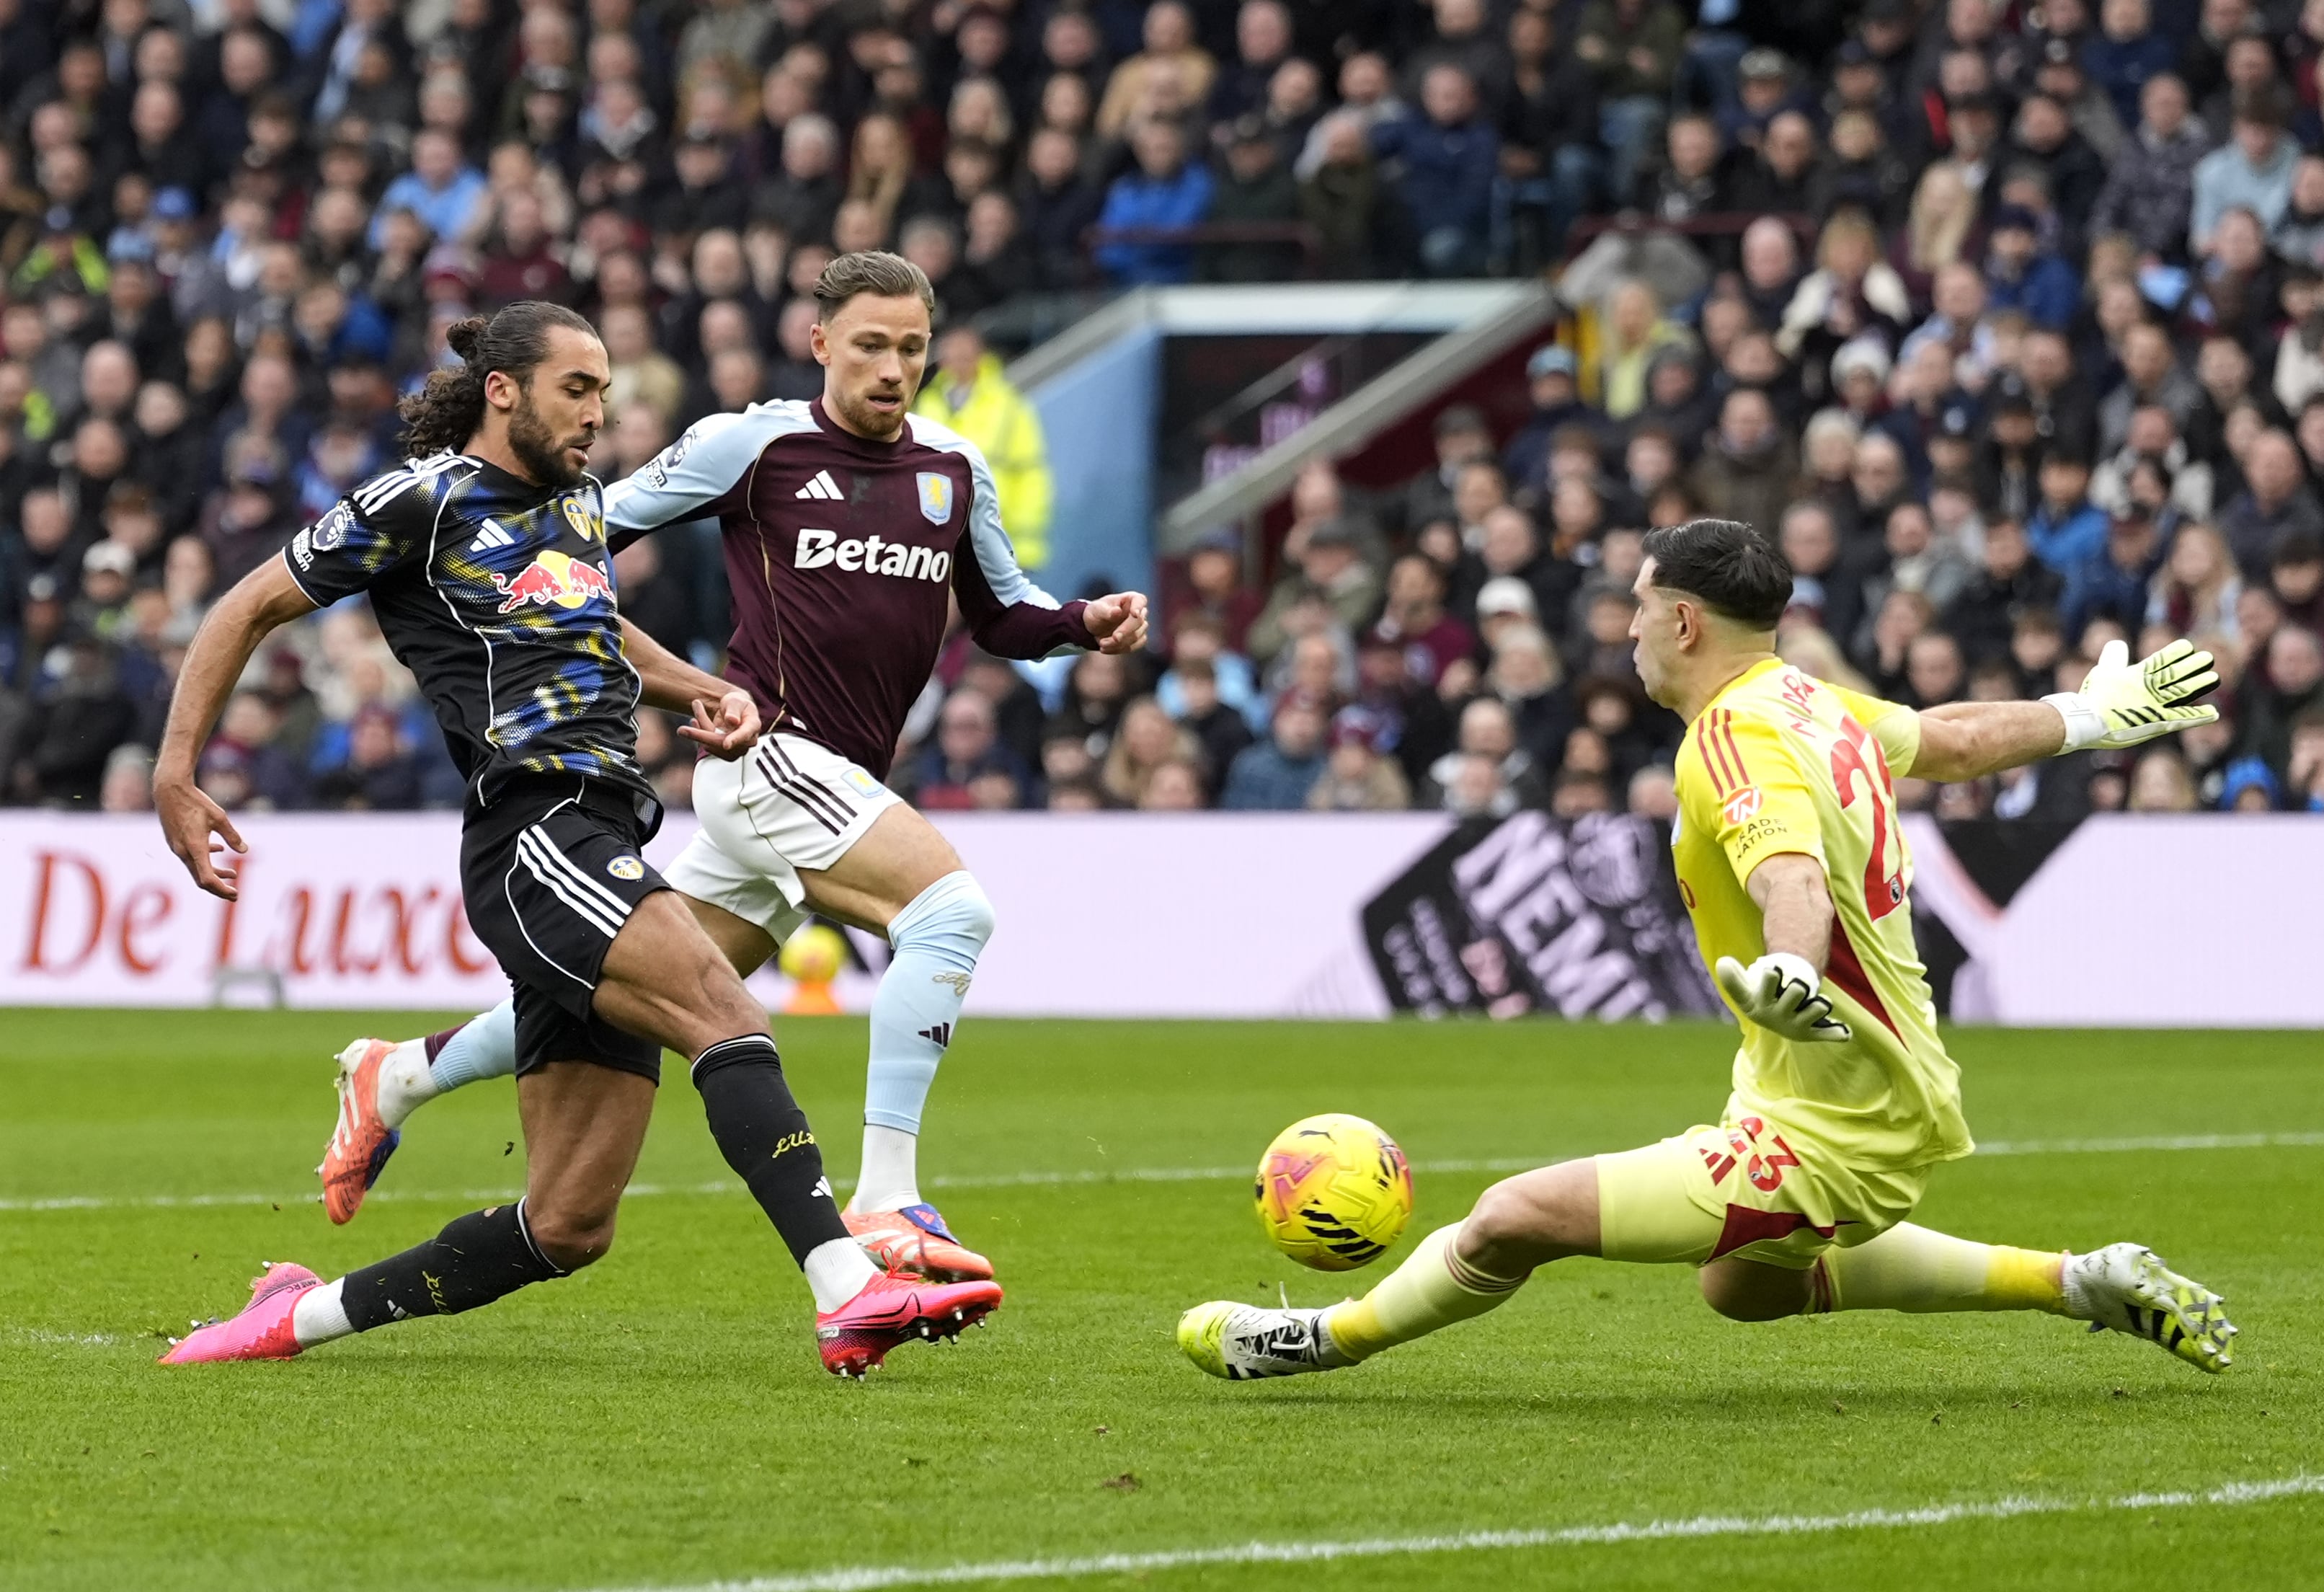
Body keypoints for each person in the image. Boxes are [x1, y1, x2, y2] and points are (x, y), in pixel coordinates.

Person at [1178, 518, 2237, 1384]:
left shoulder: (1732, 733)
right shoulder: (1806, 699)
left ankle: (1320, 1339)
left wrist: (1790, 965)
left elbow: (1792, 878)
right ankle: (2081, 1280)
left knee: (1512, 1218)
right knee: (1745, 1288)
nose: (1627, 632)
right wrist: (2084, 716)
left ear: (1682, 620)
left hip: (1844, 1115)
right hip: (1825, 1085)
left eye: (1637, 609)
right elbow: (1948, 740)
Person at [151, 301, 1002, 1377]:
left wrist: (706, 688)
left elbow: (592, 620)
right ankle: (847, 1286)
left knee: (566, 1226)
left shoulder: (579, 507)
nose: (602, 412)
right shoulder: (420, 500)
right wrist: (175, 773)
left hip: (605, 825)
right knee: (724, 1010)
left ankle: (289, 1316)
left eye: (605, 391)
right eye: (579, 389)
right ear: (503, 391)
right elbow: (243, 608)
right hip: (533, 828)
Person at [316, 257, 1148, 1296]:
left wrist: (1083, 625)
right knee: (950, 915)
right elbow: (583, 529)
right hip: (769, 757)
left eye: (912, 347)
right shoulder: (751, 444)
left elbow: (1002, 611)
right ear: (821, 345)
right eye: (871, 346)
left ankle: (395, 1075)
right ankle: (887, 1199)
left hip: (834, 783)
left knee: (631, 1001)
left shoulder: (954, 468)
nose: (894, 368)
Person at [911, 324, 1053, 570]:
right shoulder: (928, 401)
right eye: (951, 357)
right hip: (940, 532)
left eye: (965, 356)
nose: (958, 363)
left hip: (997, 533)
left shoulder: (1008, 405)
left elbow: (1031, 473)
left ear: (980, 357)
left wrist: (1024, 540)